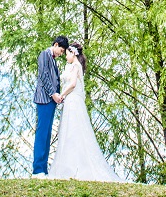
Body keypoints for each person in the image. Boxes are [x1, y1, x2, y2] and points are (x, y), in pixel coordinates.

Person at [48, 43, 123, 181]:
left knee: (74, 131)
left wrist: (61, 95)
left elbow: (72, 84)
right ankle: (69, 165)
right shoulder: (71, 66)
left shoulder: (76, 66)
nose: (66, 57)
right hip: (70, 101)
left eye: (67, 54)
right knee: (69, 131)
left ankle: (76, 166)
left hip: (73, 101)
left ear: (73, 53)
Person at [32, 35, 68, 177]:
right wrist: (53, 94)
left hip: (51, 101)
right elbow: (44, 76)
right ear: (55, 44)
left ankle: (43, 169)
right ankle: (38, 169)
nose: (61, 53)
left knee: (47, 135)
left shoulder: (53, 60)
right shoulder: (44, 55)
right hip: (44, 100)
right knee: (42, 134)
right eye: (61, 50)